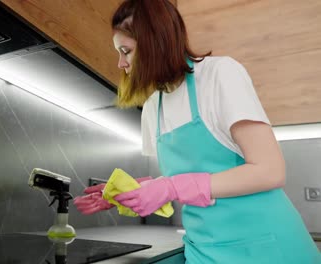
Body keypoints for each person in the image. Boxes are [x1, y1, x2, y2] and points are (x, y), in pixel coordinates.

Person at [73, 0, 321, 263]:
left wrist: (171, 187)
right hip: (203, 250)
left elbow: (270, 170)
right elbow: (176, 183)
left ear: (157, 42)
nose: (121, 63)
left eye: (126, 51)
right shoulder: (152, 107)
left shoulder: (219, 75)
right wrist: (124, 193)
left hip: (264, 246)